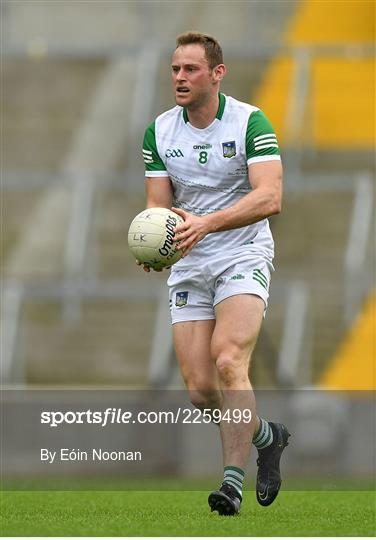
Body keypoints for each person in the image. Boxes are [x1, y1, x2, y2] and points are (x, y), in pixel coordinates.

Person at [140, 31, 290, 516]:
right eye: (175, 70)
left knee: (230, 362)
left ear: (217, 73)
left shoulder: (250, 122)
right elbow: (158, 208)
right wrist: (154, 245)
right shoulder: (159, 131)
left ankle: (231, 485)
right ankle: (268, 437)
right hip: (191, 260)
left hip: (242, 253)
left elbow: (270, 197)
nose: (180, 78)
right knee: (203, 391)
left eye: (191, 70)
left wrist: (208, 223)